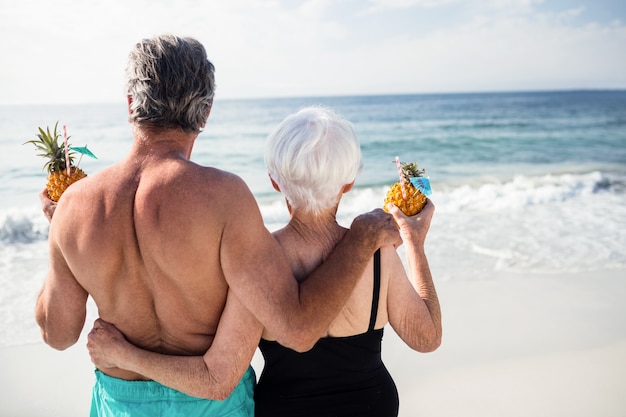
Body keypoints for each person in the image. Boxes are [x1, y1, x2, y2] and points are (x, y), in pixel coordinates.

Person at [35, 35, 400, 417]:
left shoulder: (75, 205)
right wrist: (360, 241)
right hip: (212, 406)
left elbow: (58, 335)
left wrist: (58, 227)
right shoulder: (223, 197)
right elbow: (298, 330)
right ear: (206, 112)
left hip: (119, 404)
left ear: (130, 105)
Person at [85, 106, 442, 417]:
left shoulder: (255, 261)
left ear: (273, 181)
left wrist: (125, 354)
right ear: (348, 182)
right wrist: (415, 243)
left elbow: (214, 376)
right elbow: (427, 339)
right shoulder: (378, 254)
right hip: (373, 405)